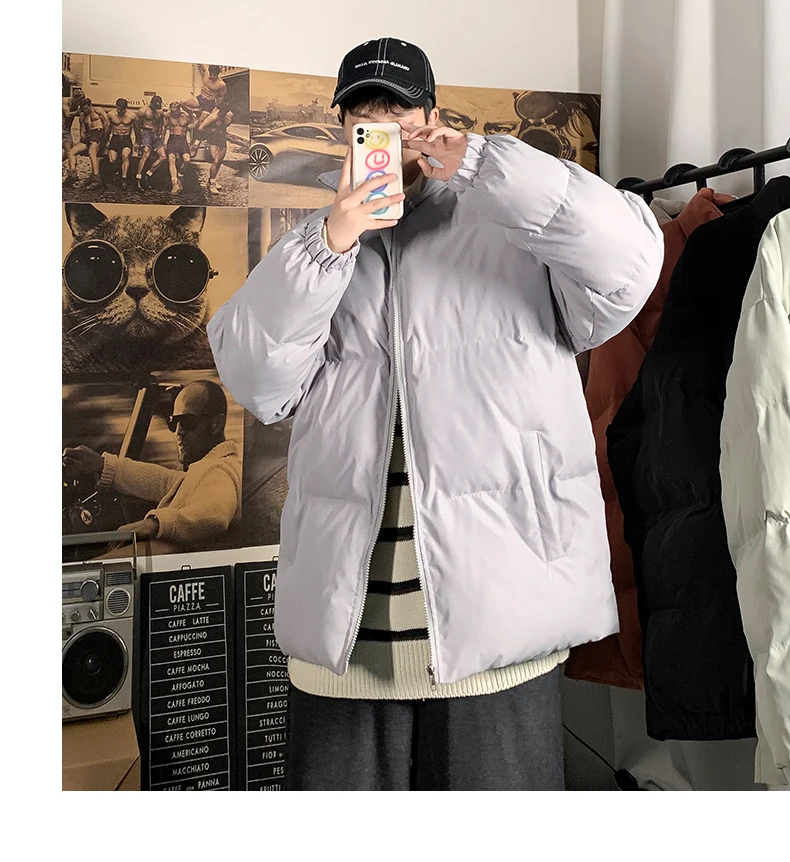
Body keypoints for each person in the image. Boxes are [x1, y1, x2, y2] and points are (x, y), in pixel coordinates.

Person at [207, 38, 664, 791]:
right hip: (346, 635)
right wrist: (331, 241)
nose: (384, 128)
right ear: (344, 129)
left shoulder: (510, 224)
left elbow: (630, 264)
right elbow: (257, 381)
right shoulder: (318, 246)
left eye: (399, 110)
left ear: (432, 115)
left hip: (499, 623)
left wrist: (482, 165)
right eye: (364, 113)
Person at [61, 381, 241, 554]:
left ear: (216, 424)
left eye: (187, 422)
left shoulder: (220, 471)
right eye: (173, 422)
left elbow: (215, 513)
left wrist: (153, 524)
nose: (178, 431)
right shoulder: (203, 469)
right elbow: (162, 480)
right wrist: (102, 464)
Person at [65, 98, 109, 189]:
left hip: (98, 133)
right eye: (83, 109)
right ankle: (72, 176)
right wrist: (82, 140)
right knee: (71, 152)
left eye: (86, 108)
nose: (85, 111)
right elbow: (82, 130)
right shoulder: (82, 117)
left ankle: (96, 179)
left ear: (90, 105)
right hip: (88, 136)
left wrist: (104, 139)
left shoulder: (98, 110)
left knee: (91, 153)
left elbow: (107, 123)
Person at [182, 64, 227, 147]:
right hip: (200, 98)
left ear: (218, 74)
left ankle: (196, 140)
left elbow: (221, 97)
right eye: (211, 74)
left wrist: (216, 108)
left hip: (209, 104)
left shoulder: (221, 84)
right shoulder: (206, 73)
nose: (212, 76)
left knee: (200, 123)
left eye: (214, 75)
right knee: (183, 102)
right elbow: (201, 66)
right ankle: (193, 115)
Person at [134, 94, 167, 191]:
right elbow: (136, 125)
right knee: (146, 154)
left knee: (163, 157)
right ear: (151, 103)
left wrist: (161, 136)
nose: (156, 108)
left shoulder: (160, 112)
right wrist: (138, 140)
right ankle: (138, 179)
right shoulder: (143, 111)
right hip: (146, 133)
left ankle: (148, 174)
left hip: (156, 135)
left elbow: (161, 125)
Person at [200, 104, 233, 194]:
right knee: (216, 160)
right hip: (213, 139)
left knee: (220, 161)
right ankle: (212, 184)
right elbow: (201, 128)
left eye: (224, 113)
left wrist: (224, 132)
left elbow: (225, 127)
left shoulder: (229, 116)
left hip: (221, 139)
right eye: (221, 112)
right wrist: (211, 131)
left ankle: (211, 179)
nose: (222, 114)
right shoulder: (213, 117)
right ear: (218, 111)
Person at [164, 101, 195, 194]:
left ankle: (180, 175)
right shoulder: (168, 116)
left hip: (182, 140)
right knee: (171, 159)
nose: (174, 111)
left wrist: (183, 105)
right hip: (172, 139)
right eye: (172, 110)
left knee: (187, 160)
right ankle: (174, 184)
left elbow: (193, 117)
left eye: (176, 109)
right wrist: (163, 142)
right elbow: (163, 128)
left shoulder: (185, 116)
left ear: (179, 109)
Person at [106, 98, 137, 190]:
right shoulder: (111, 114)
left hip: (126, 139)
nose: (120, 111)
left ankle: (124, 178)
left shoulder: (132, 116)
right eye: (118, 109)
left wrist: (137, 142)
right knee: (112, 159)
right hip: (115, 139)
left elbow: (137, 130)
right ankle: (117, 172)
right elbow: (107, 130)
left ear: (125, 108)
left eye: (122, 109)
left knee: (125, 156)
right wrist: (106, 141)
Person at [62, 88, 85, 179]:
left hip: (66, 131)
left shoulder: (77, 105)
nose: (79, 103)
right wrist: (79, 111)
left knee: (69, 151)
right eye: (79, 101)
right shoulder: (65, 101)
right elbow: (68, 114)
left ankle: (72, 173)